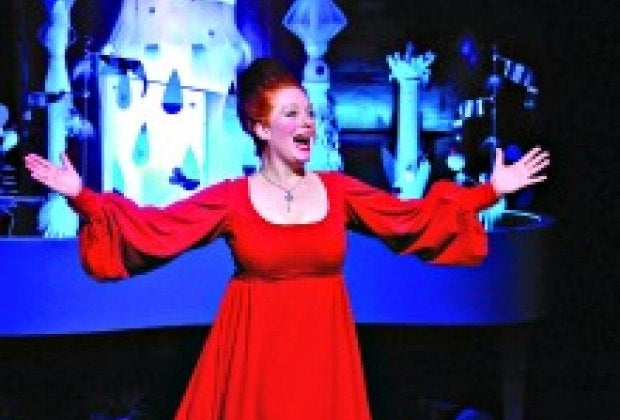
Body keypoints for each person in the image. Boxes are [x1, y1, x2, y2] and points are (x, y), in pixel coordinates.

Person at [24, 57, 550, 420]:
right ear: (260, 127)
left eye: (310, 113)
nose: (307, 123)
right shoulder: (233, 199)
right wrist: (81, 196)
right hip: (255, 355)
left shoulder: (338, 191)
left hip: (324, 354)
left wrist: (489, 191)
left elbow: (410, 219)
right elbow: (157, 230)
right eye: (291, 114)